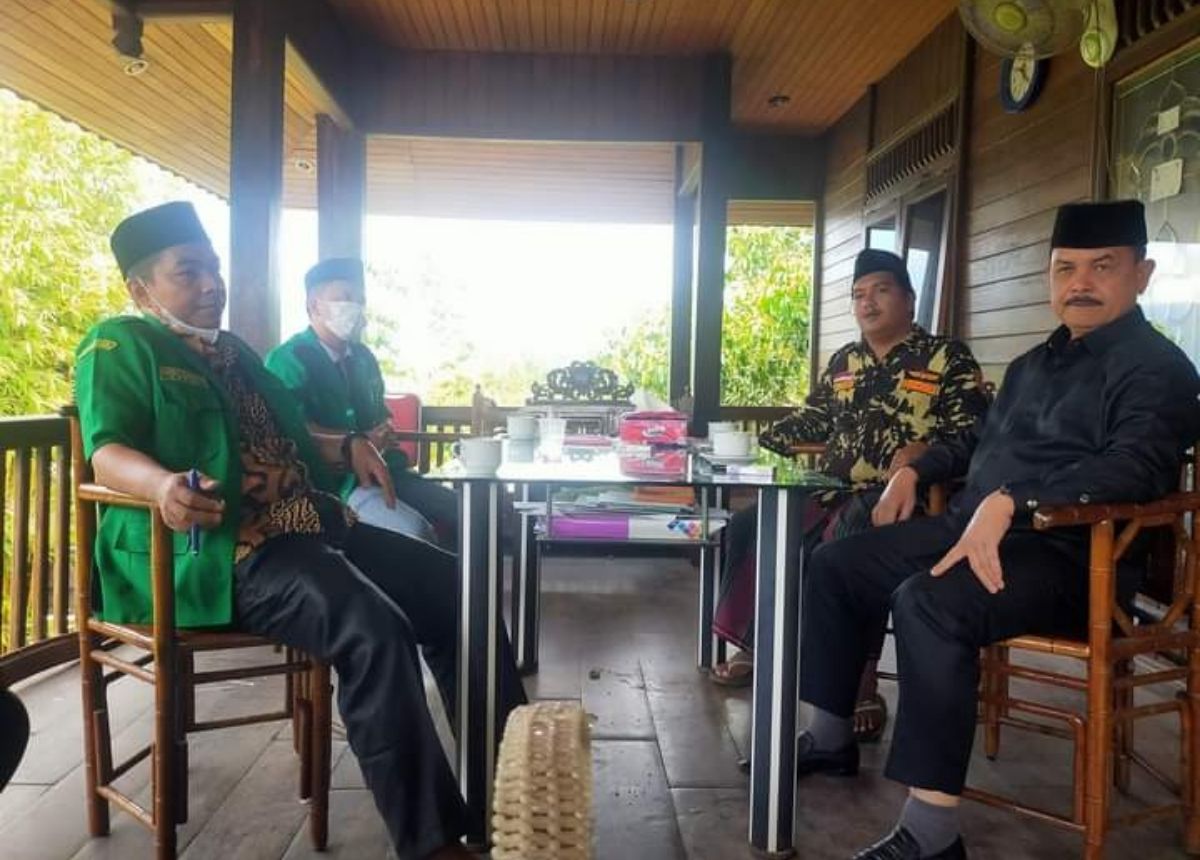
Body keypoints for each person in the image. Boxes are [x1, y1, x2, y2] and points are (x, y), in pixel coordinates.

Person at [74, 201, 527, 860]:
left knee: (459, 589)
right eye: (187, 272)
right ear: (140, 289)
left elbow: (292, 433)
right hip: (221, 548)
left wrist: (347, 445)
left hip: (307, 522)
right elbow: (106, 450)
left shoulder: (234, 352)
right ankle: (432, 843)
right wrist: (162, 486)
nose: (212, 285)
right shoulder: (119, 344)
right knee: (371, 626)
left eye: (214, 269)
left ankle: (510, 790)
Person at [795, 200, 1200, 860]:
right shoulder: (1033, 365)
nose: (1081, 283)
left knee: (929, 602)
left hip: (1075, 558)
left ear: (1143, 274)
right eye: (1065, 268)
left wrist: (1016, 498)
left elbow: (1137, 466)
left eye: (1102, 267)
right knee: (838, 562)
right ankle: (831, 736)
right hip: (974, 529)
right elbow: (972, 441)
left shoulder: (1159, 369)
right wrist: (914, 470)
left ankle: (931, 832)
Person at [710, 248, 989, 741]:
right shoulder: (846, 360)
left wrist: (923, 456)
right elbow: (813, 418)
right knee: (751, 523)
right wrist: (752, 445)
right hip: (831, 488)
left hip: (909, 500)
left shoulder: (946, 357)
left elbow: (971, 432)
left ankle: (859, 681)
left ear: (909, 299)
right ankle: (757, 644)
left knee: (849, 539)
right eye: (859, 294)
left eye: (881, 290)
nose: (868, 303)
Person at [265, 258, 459, 548]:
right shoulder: (288, 360)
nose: (356, 307)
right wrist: (356, 441)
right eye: (345, 297)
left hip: (388, 471)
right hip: (336, 485)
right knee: (416, 533)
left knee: (464, 512)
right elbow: (289, 430)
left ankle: (467, 579)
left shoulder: (363, 358)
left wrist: (383, 432)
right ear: (314, 306)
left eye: (360, 300)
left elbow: (381, 414)